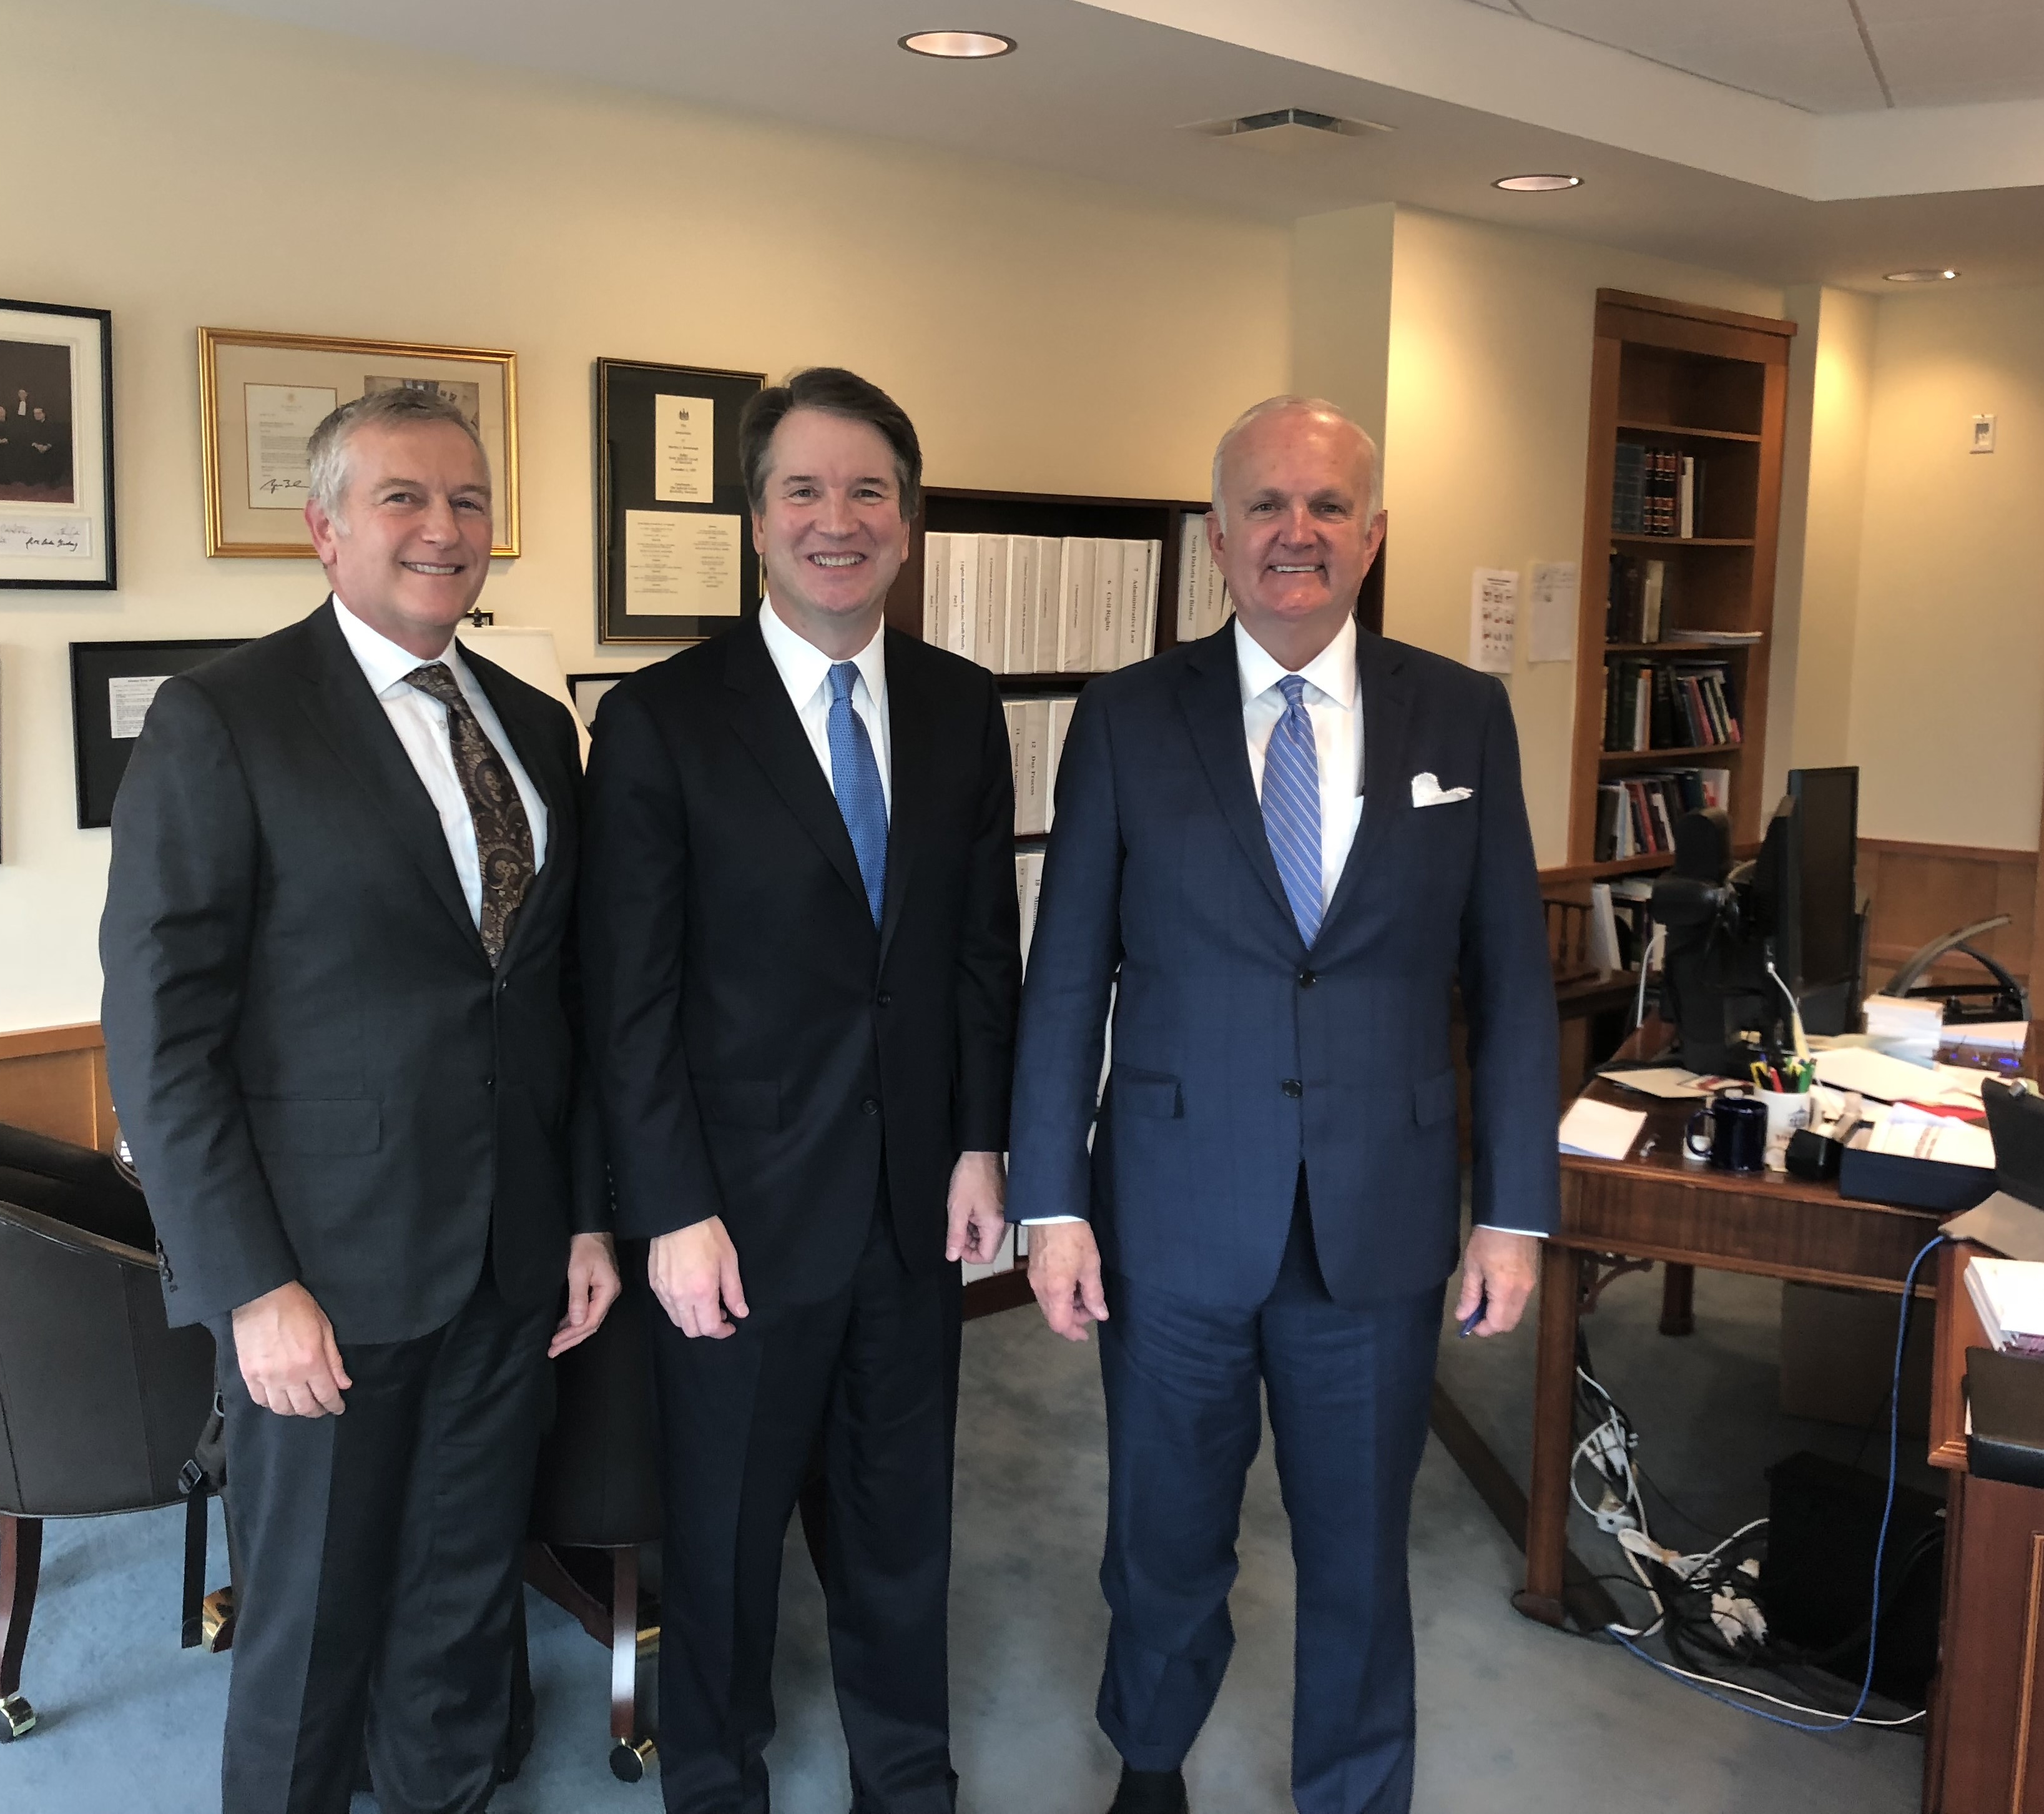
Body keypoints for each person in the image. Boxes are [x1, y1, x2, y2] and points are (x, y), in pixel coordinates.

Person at [1008, 396, 1558, 1814]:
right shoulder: (1128, 719)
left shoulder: (1462, 714)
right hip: (1174, 1214)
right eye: (1263, 505)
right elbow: (1066, 973)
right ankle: (1148, 1760)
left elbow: (1505, 986)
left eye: (1324, 507)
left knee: (1356, 1546)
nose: (1293, 533)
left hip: (1375, 1217)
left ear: (1371, 536)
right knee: (1162, 1534)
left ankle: (1353, 1790)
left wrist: (1510, 1215)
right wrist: (1048, 1202)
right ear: (1215, 538)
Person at [101, 386, 619, 1814]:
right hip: (319, 1278)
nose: (442, 529)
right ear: (324, 532)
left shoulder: (530, 724)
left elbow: (548, 1004)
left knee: (462, 1600)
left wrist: (577, 1219)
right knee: (313, 1618)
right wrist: (247, 1284)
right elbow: (161, 1034)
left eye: (466, 501)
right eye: (403, 498)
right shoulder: (225, 720)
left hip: (509, 1263)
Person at [582, 366, 1020, 1814]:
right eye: (802, 491)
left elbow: (973, 958)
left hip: (910, 1210)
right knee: (721, 1538)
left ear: (906, 523)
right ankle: (717, 1781)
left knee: (902, 1530)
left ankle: (908, 1778)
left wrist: (979, 1141)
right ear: (755, 523)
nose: (837, 519)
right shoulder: (658, 720)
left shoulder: (962, 709)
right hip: (736, 1227)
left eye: (867, 492)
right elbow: (626, 999)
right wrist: (671, 1214)